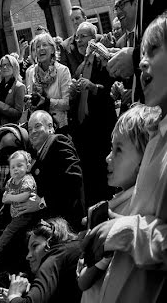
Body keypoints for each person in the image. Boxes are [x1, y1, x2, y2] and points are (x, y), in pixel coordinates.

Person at [82, 12, 167, 303]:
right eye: (141, 53)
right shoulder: (158, 135)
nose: (142, 62)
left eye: (153, 51)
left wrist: (123, 231)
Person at [76, 104, 160, 303]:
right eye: (111, 148)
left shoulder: (135, 210)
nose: (108, 157)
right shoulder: (118, 203)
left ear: (145, 160)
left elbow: (84, 280)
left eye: (118, 150)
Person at [69, 21, 117, 207]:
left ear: (94, 38)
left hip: (102, 130)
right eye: (77, 38)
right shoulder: (80, 68)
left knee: (107, 180)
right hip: (85, 135)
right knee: (91, 183)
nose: (79, 41)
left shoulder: (103, 61)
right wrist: (74, 92)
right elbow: (76, 103)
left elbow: (112, 90)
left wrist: (93, 87)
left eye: (83, 36)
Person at [12, 111, 85, 230]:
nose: (33, 132)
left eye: (37, 126)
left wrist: (42, 202)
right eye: (30, 129)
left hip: (65, 226)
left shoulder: (58, 141)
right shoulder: (39, 153)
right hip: (48, 224)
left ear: (50, 127)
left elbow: (74, 179)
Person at [2, 218, 83, 303]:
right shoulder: (73, 251)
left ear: (50, 242)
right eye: (29, 250)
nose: (28, 256)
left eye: (35, 246)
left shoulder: (57, 255)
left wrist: (13, 297)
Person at [0, 150, 37, 262]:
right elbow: (4, 197)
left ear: (28, 167)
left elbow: (25, 195)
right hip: (15, 213)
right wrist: (7, 197)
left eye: (19, 165)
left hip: (25, 214)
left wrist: (10, 198)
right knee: (5, 227)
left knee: (9, 230)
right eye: (13, 167)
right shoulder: (11, 181)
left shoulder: (27, 179)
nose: (16, 169)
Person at [24, 32, 72, 132]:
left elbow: (67, 103)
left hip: (59, 126)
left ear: (52, 49)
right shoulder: (31, 72)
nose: (41, 48)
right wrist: (30, 102)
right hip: (38, 127)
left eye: (44, 45)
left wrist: (47, 102)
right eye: (37, 46)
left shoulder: (62, 70)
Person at [57, 6, 88, 76]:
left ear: (85, 19)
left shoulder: (98, 39)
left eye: (77, 18)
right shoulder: (65, 46)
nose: (75, 22)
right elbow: (65, 75)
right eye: (72, 20)